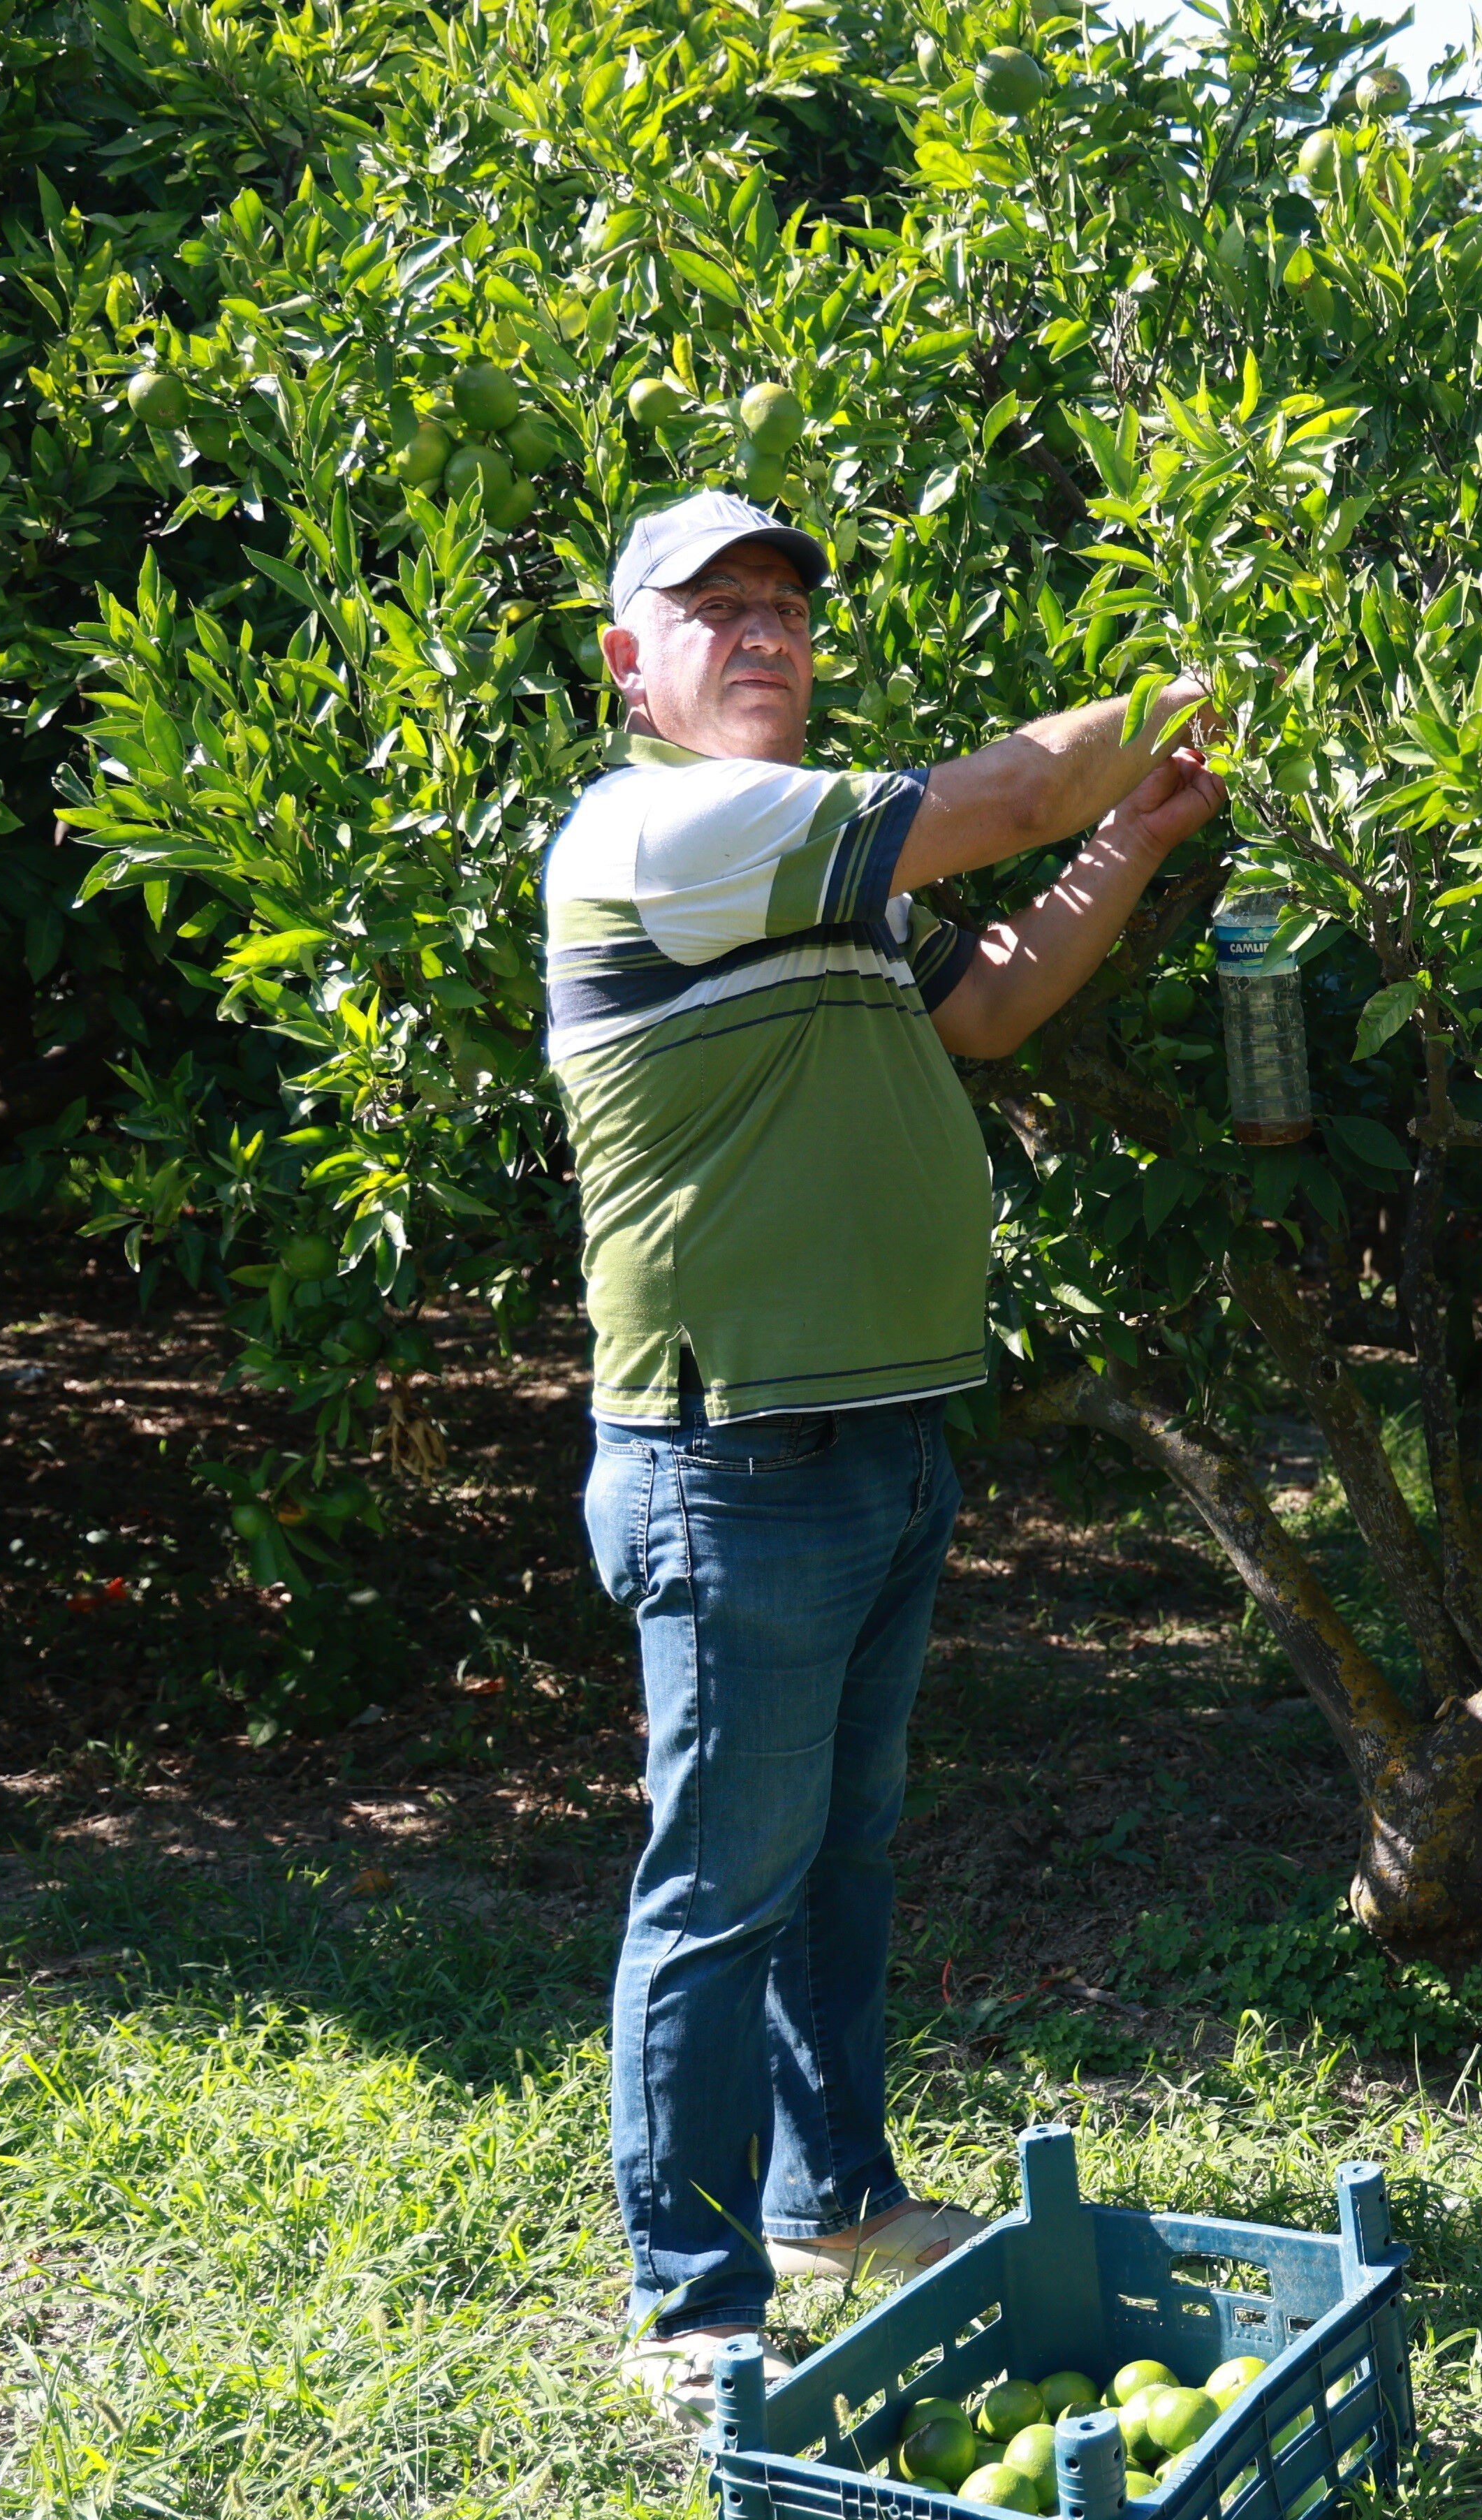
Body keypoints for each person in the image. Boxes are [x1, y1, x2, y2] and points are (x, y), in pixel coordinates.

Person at [551, 489, 1224, 2420]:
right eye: (717, 610)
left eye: (786, 605)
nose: (764, 632)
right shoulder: (664, 831)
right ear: (633, 664)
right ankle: (690, 2306)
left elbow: (990, 1003)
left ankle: (829, 2200)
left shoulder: (811, 872)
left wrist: (1130, 838)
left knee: (836, 1858)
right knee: (721, 1887)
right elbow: (1000, 798)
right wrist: (1218, 665)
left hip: (878, 1433)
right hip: (733, 1453)